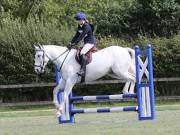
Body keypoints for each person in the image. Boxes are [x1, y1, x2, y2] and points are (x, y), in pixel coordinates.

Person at [67, 11, 96, 79]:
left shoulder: (87, 26)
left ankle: (82, 71)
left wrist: (74, 44)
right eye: (77, 20)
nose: (78, 21)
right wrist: (71, 42)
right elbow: (76, 35)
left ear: (83, 19)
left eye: (79, 20)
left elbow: (81, 37)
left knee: (82, 53)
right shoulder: (80, 26)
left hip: (90, 42)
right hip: (86, 42)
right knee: (78, 52)